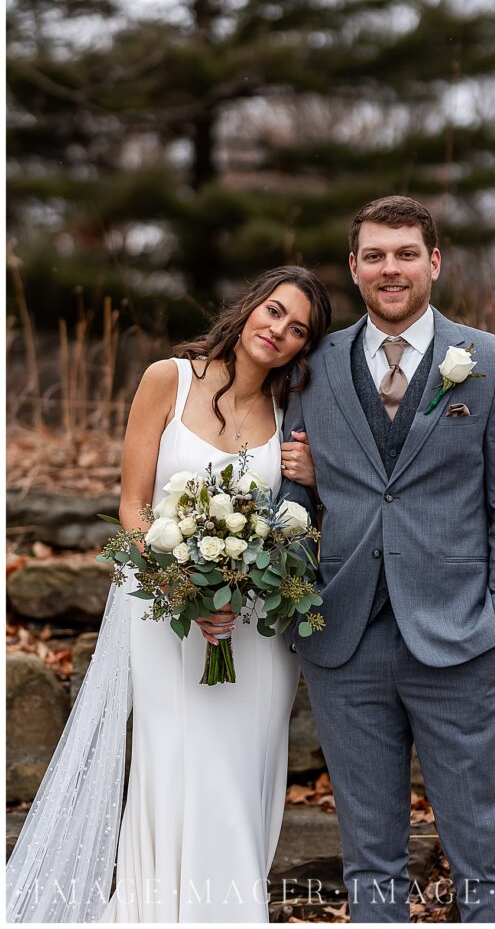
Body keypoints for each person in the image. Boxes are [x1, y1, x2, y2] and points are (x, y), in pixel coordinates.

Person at [6, 266, 332, 922]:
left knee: (243, 773)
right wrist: (180, 586)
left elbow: (305, 520)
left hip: (255, 625)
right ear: (248, 309)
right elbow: (131, 507)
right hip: (165, 610)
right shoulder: (168, 379)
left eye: (299, 330)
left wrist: (317, 475)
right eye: (275, 312)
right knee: (176, 762)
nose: (281, 332)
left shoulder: (293, 413)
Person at [278, 195, 495, 922]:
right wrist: (299, 602)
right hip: (343, 638)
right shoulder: (313, 365)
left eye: (404, 254)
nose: (390, 269)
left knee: (480, 852)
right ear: (354, 268)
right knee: (369, 853)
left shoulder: (489, 361)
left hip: (460, 639)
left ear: (434, 263)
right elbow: (289, 502)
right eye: (374, 256)